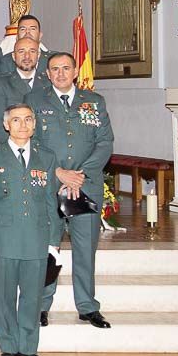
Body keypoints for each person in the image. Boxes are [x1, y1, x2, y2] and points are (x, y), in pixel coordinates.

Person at [27, 52, 114, 329]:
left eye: (66, 68)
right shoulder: (34, 101)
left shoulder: (94, 102)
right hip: (49, 187)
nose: (61, 74)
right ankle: (40, 305)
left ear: (76, 71)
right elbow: (30, 143)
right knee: (47, 248)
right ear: (47, 74)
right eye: (55, 69)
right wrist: (58, 174)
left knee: (85, 249)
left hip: (85, 187)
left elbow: (104, 142)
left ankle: (87, 306)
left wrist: (80, 175)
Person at [0, 103, 60, 356]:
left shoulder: (46, 157)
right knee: (5, 295)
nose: (22, 125)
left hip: (36, 237)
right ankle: (8, 347)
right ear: (5, 125)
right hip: (4, 237)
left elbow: (51, 202)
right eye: (16, 120)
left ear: (34, 124)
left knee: (32, 296)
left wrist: (54, 241)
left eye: (27, 119)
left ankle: (29, 347)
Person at [0, 37, 51, 135]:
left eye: (32, 51)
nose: (27, 56)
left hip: (44, 146)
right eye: (21, 51)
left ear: (38, 55)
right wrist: (17, 147)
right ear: (13, 56)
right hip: (12, 145)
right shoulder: (1, 83)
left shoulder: (49, 82)